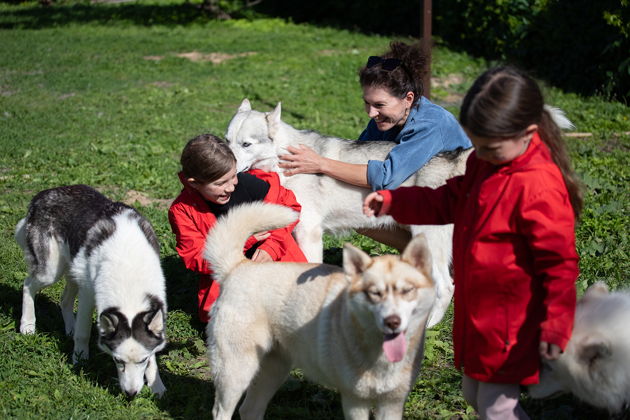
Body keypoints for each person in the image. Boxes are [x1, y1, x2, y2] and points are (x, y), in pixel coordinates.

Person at [363, 66, 582, 419]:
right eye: (475, 144)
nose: (479, 153)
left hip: (513, 322)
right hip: (480, 313)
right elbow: (449, 198)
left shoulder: (538, 186)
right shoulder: (486, 161)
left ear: (528, 133)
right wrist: (395, 202)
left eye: (489, 147)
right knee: (474, 392)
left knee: (496, 407)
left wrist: (556, 325)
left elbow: (559, 265)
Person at [278, 41, 471, 250]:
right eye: (367, 103)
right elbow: (356, 159)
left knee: (370, 197)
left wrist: (321, 164)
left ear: (408, 98)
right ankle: (417, 255)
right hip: (424, 200)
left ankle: (442, 260)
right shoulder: (387, 119)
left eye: (379, 105)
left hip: (462, 211)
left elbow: (387, 177)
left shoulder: (432, 125)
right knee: (358, 205)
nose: (371, 113)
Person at [168, 134, 307, 323]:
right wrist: (243, 240)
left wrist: (270, 247)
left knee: (301, 306)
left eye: (233, 176)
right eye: (219, 183)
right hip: (231, 274)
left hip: (277, 260)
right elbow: (195, 257)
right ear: (194, 183)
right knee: (228, 322)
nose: (231, 187)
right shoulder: (184, 211)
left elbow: (288, 209)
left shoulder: (251, 185)